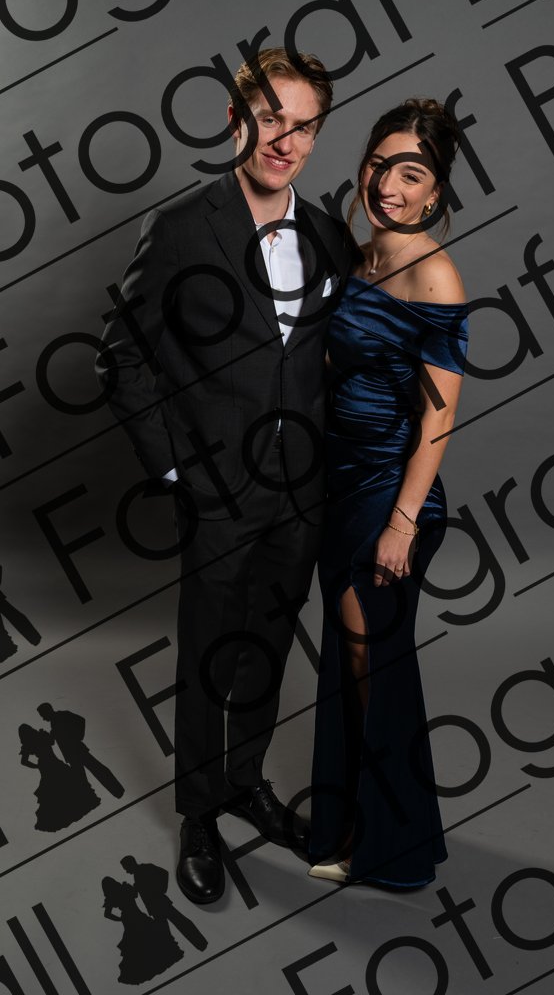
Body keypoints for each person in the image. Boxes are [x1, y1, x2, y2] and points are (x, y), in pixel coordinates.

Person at [96, 48, 355, 904]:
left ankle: (245, 783)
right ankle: (200, 812)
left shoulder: (329, 234)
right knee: (210, 650)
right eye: (271, 118)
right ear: (237, 120)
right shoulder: (178, 227)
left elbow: (329, 360)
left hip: (302, 490)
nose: (285, 140)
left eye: (303, 125)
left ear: (316, 136)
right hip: (216, 489)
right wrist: (178, 466)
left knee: (269, 644)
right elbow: (121, 355)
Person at [308, 99, 469, 888]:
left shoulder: (435, 274)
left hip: (392, 493)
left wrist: (403, 522)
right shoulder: (362, 256)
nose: (388, 186)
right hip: (340, 485)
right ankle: (359, 825)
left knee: (371, 651)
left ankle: (392, 850)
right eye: (379, 165)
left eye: (411, 174)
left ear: (436, 191)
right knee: (356, 655)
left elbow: (439, 415)